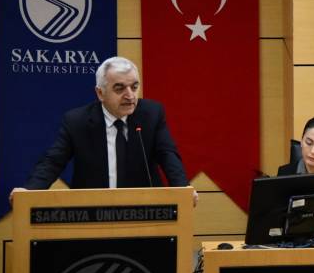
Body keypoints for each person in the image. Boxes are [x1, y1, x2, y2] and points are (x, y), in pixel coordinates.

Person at [12, 56, 196, 204]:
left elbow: (168, 155)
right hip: (93, 211)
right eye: (119, 88)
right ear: (100, 93)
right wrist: (29, 191)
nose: (130, 95)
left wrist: (183, 189)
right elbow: (53, 161)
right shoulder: (77, 121)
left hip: (144, 209)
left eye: (134, 87)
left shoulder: (151, 114)